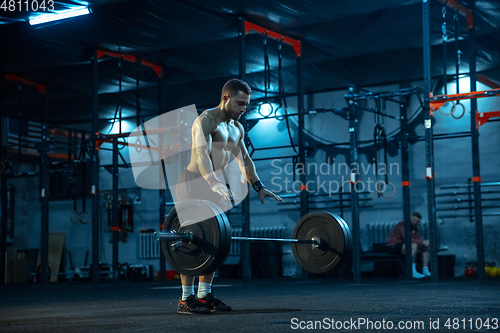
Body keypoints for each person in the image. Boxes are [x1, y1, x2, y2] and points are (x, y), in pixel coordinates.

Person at [175, 78, 282, 314]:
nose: (243, 109)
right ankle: (186, 298)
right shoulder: (205, 121)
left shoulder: (237, 128)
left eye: (246, 105)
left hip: (216, 186)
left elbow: (244, 159)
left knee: (216, 240)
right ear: (225, 98)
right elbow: (201, 155)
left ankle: (204, 295)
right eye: (240, 103)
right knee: (192, 240)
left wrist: (259, 186)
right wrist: (212, 181)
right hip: (194, 182)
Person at [385, 212, 431, 279]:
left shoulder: (414, 227)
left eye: (418, 221)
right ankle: (412, 271)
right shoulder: (402, 225)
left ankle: (425, 269)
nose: (416, 222)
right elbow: (407, 239)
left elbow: (417, 238)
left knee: (425, 248)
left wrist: (424, 242)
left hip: (403, 245)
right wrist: (422, 242)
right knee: (413, 246)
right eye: (415, 220)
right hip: (393, 245)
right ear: (410, 218)